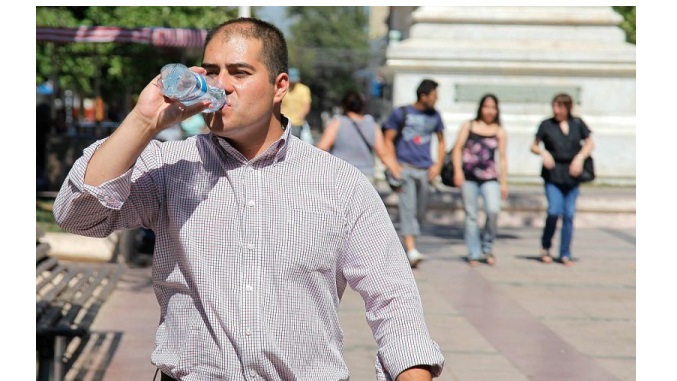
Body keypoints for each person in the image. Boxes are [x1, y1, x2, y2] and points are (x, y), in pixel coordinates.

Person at [52, 17, 444, 380]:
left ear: (280, 87)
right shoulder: (169, 166)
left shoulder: (340, 184)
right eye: (212, 71)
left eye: (240, 72)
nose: (222, 85)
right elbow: (78, 216)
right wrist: (143, 119)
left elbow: (394, 299)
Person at [382, 79, 446, 268]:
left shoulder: (435, 116)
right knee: (408, 209)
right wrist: (394, 166)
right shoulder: (401, 113)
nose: (437, 99)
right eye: (434, 96)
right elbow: (388, 138)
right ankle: (411, 250)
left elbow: (441, 140)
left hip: (425, 171)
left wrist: (438, 165)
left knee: (419, 211)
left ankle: (408, 247)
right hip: (406, 169)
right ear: (423, 96)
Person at [530, 92, 595, 266]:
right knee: (553, 210)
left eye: (560, 106)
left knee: (569, 214)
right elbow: (534, 145)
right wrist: (544, 153)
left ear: (568, 108)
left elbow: (590, 143)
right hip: (553, 173)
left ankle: (565, 252)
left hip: (572, 173)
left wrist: (580, 158)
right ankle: (546, 246)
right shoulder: (546, 125)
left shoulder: (577, 123)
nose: (556, 110)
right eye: (555, 106)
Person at [451, 94, 508, 267]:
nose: (489, 111)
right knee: (471, 215)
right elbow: (457, 149)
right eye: (486, 107)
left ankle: (487, 247)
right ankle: (474, 252)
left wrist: (504, 182)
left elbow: (503, 158)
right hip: (469, 178)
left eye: (493, 107)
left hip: (490, 178)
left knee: (493, 210)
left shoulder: (499, 130)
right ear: (480, 108)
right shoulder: (469, 126)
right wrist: (457, 171)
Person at [316, 90, 387, 182]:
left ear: (344, 105)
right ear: (363, 106)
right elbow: (382, 152)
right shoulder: (373, 125)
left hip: (341, 173)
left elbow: (322, 147)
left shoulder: (337, 123)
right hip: (365, 175)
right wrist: (396, 173)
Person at [281, 67, 312, 141]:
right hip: (283, 122)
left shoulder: (304, 89)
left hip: (296, 123)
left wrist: (301, 116)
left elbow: (306, 106)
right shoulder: (284, 89)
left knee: (293, 143)